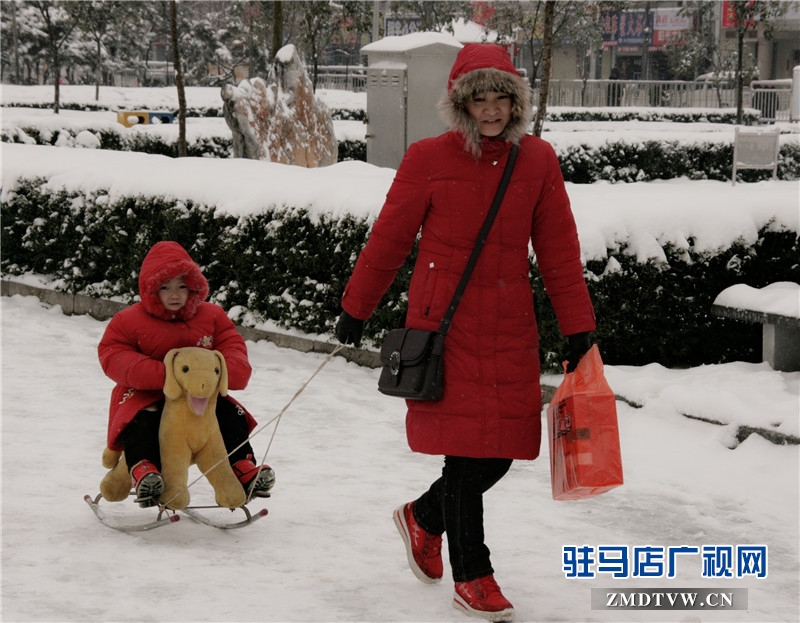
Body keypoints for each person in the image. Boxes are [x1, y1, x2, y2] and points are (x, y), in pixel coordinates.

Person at [334, 44, 596, 622]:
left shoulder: (538, 162)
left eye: (501, 96)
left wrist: (580, 330)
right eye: (479, 98)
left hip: (509, 326)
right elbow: (390, 239)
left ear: (516, 100)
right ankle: (472, 575)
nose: (491, 109)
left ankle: (424, 518)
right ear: (461, 102)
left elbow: (559, 253)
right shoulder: (429, 158)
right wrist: (356, 307)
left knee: (499, 453)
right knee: (465, 455)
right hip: (444, 327)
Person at [98, 241, 275, 508]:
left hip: (200, 397)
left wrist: (223, 372)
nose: (174, 294)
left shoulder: (211, 315)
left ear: (193, 287)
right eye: (165, 287)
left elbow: (231, 345)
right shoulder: (129, 320)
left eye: (182, 286)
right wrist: (163, 375)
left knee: (230, 415)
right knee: (141, 421)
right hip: (150, 394)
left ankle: (241, 465)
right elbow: (113, 353)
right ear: (151, 290)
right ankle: (144, 470)